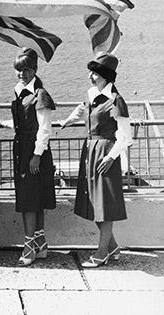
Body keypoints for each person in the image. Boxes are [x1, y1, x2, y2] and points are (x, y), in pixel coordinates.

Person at [59, 53, 132, 268]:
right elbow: (83, 109)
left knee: (104, 204)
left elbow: (126, 136)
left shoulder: (116, 100)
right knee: (93, 201)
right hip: (90, 150)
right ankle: (113, 247)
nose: (90, 76)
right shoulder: (92, 93)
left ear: (105, 76)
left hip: (106, 152)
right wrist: (68, 120)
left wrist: (110, 157)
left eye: (95, 73)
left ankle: (102, 252)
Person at [0, 48, 56, 266]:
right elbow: (24, 123)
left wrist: (37, 156)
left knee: (30, 200)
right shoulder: (19, 91)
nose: (22, 74)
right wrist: (3, 123)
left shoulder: (41, 94)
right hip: (22, 148)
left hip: (33, 153)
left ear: (35, 70)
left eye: (26, 70)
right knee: (33, 198)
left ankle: (29, 246)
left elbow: (44, 129)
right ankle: (41, 244)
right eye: (19, 70)